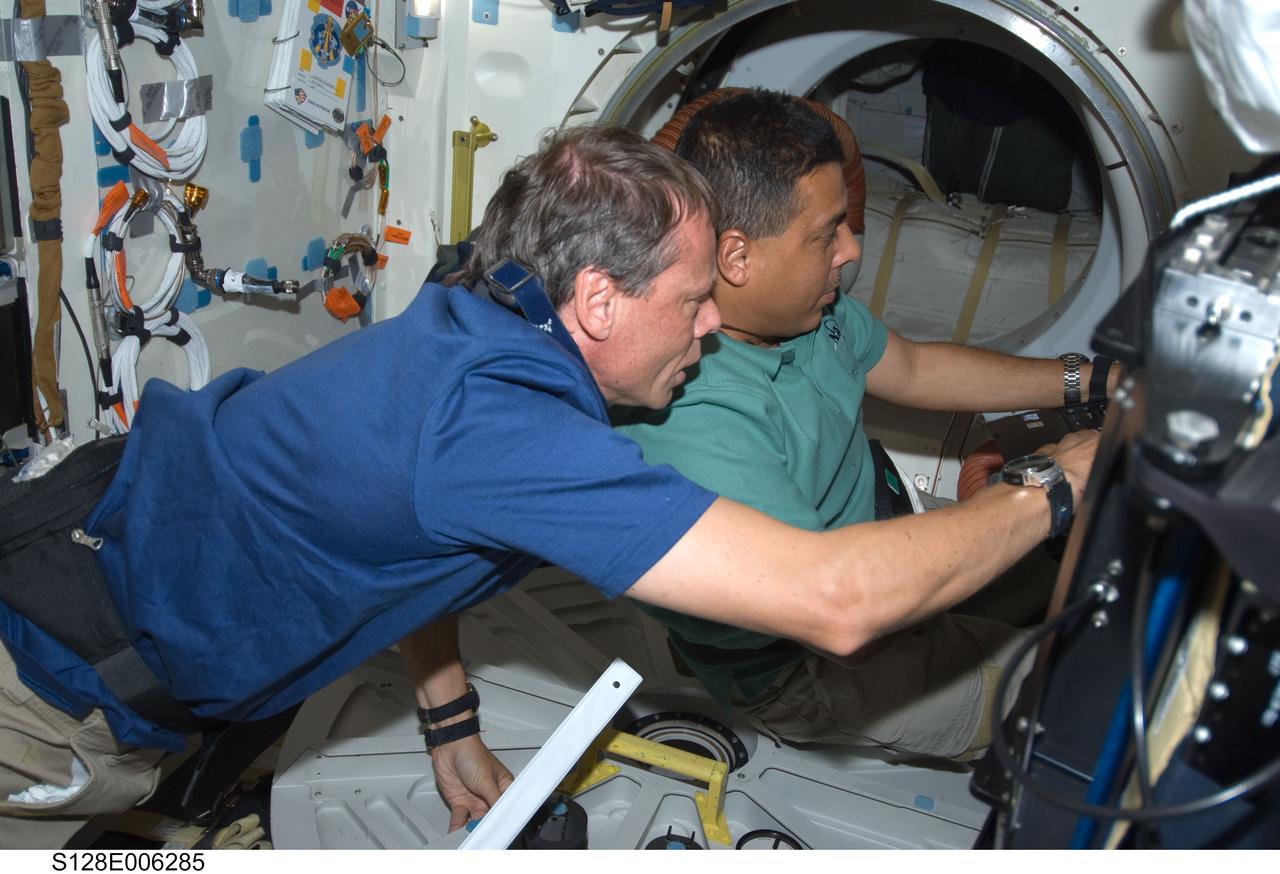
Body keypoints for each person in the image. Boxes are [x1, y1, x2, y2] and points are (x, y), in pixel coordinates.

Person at [0, 124, 1096, 849]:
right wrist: (1062, 476)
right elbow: (835, 601)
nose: (711, 325)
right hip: (45, 687)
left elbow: (406, 543)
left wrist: (447, 713)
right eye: (689, 301)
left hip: (109, 618)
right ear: (597, 300)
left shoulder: (478, 314)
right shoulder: (503, 430)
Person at [614, 89, 1109, 761]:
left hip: (872, 541)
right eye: (827, 234)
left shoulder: (804, 309)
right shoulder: (694, 416)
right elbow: (836, 609)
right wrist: (1053, 482)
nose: (850, 251)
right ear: (735, 258)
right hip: (811, 660)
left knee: (1073, 575)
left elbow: (913, 369)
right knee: (1061, 704)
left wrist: (1088, 379)